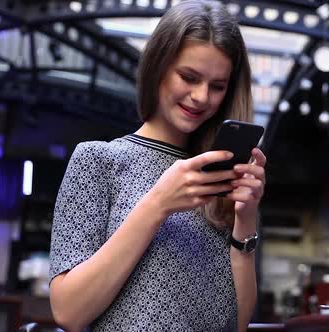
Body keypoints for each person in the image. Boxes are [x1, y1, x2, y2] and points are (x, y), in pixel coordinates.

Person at [48, 1, 266, 331]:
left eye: (217, 86)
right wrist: (157, 203)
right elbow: (68, 312)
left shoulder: (222, 179)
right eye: (188, 77)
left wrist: (246, 219)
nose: (201, 97)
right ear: (158, 66)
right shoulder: (98, 161)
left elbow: (238, 323)